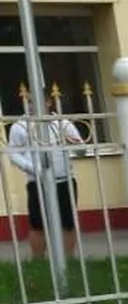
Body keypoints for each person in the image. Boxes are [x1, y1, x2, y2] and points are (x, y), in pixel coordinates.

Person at [7, 99, 83, 260]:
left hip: (64, 179)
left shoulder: (62, 123)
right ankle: (38, 262)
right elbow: (13, 154)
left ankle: (68, 261)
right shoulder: (20, 126)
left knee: (67, 223)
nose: (32, 105)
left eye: (36, 100)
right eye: (29, 101)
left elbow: (81, 150)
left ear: (48, 102)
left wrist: (75, 146)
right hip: (37, 182)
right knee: (38, 225)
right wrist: (33, 169)